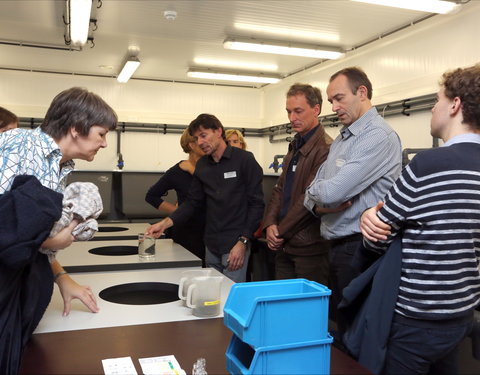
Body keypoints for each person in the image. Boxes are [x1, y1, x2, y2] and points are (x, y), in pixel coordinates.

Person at [359, 65, 480, 375]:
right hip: (461, 317)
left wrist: (368, 215)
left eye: (437, 100)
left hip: (415, 321)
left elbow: (378, 235)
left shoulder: (427, 165)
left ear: (454, 105)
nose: (432, 109)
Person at [0, 87, 117, 373]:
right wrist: (55, 239)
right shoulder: (20, 145)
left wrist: (61, 276)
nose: (103, 143)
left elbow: (25, 233)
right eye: (101, 134)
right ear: (77, 129)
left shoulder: (58, 165)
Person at [304, 67, 402, 333]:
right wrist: (317, 198)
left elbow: (332, 192)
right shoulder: (343, 139)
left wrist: (318, 195)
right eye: (331, 101)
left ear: (362, 92)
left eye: (339, 98)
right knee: (340, 325)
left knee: (357, 329)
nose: (334, 107)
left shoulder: (378, 136)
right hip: (336, 245)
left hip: (359, 247)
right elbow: (312, 191)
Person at [146, 113, 264, 282]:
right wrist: (165, 224)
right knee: (212, 298)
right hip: (211, 246)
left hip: (235, 245)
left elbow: (257, 204)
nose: (200, 142)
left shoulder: (244, 160)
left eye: (203, 135)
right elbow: (192, 203)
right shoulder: (203, 165)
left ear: (218, 131)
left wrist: (243, 241)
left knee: (230, 299)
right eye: (196, 138)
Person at [262, 83, 332, 284]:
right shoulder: (296, 145)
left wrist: (279, 232)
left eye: (298, 111)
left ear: (316, 109)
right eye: (289, 112)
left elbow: (308, 198)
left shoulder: (325, 149)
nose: (292, 118)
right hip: (285, 244)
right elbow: (279, 189)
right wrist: (270, 224)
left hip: (309, 248)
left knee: (306, 311)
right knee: (282, 306)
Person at [145, 129, 206, 264]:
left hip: (211, 231)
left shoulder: (214, 169)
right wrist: (178, 212)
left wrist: (195, 171)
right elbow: (151, 196)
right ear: (191, 145)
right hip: (186, 232)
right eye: (200, 139)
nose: (205, 143)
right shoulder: (177, 171)